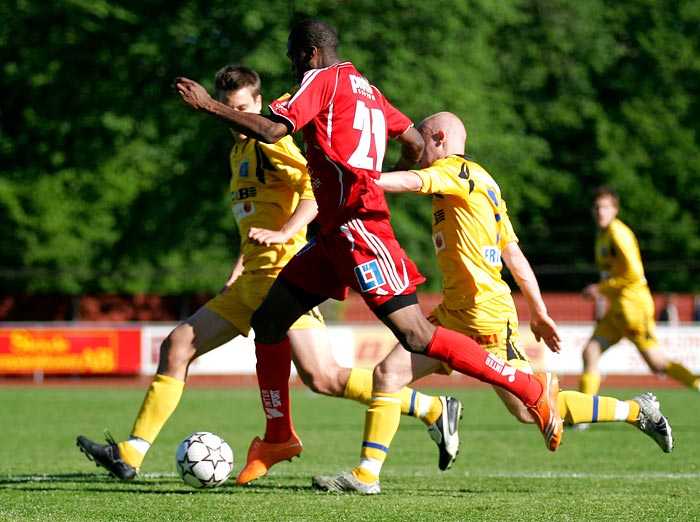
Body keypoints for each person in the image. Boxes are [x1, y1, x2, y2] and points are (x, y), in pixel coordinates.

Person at [173, 19, 562, 496]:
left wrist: (209, 106)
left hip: (359, 231)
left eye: (294, 55)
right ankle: (277, 437)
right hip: (334, 236)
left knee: (417, 335)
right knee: (270, 319)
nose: (291, 65)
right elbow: (415, 142)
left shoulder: (320, 80)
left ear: (312, 53)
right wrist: (381, 176)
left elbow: (274, 130)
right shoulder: (369, 91)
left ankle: (531, 390)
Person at [76, 65, 462, 485]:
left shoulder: (270, 147)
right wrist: (238, 267)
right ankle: (130, 453)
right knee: (178, 345)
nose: (236, 119)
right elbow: (253, 220)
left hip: (284, 279)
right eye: (228, 110)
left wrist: (284, 232)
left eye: (242, 108)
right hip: (248, 283)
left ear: (258, 104)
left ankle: (433, 409)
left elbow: (316, 193)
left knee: (324, 378)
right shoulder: (239, 152)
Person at [312, 112, 674, 493]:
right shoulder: (487, 184)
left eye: (421, 144)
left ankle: (637, 411)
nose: (417, 153)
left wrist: (359, 178)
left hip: (486, 314)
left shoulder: (454, 170)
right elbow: (513, 255)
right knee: (389, 374)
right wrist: (540, 312)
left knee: (524, 408)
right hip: (455, 311)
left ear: (438, 138)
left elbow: (410, 181)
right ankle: (367, 475)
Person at [579, 186, 699, 396]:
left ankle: (697, 383)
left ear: (615, 209)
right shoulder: (602, 236)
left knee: (657, 363)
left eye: (606, 207)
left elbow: (634, 274)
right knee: (590, 352)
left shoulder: (619, 234)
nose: (601, 211)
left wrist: (600, 288)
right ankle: (583, 414)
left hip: (634, 309)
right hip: (618, 310)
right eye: (597, 207)